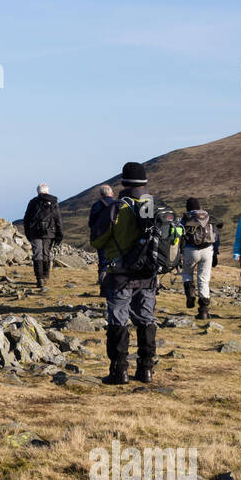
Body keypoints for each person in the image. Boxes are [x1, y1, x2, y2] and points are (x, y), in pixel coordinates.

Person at [89, 163, 160, 384]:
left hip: (120, 275)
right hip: (148, 275)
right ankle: (146, 370)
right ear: (145, 182)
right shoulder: (154, 206)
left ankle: (119, 372)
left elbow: (97, 240)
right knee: (146, 319)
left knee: (118, 321)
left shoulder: (117, 207)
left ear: (124, 182)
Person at [180, 197, 219, 320]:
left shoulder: (186, 218)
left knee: (187, 273)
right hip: (208, 250)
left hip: (190, 250)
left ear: (188, 207)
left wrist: (179, 253)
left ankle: (190, 294)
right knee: (204, 279)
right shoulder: (207, 217)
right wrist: (216, 252)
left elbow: (179, 235)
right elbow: (216, 235)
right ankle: (203, 310)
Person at [22, 182, 64, 289]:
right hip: (49, 232)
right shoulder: (54, 202)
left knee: (37, 254)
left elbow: (26, 219)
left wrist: (28, 233)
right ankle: (46, 276)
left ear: (38, 191)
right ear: (47, 191)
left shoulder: (32, 202)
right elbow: (58, 219)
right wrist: (59, 234)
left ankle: (39, 279)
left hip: (35, 232)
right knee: (46, 254)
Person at [87, 184, 117, 294]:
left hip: (101, 238)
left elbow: (91, 223)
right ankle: (114, 288)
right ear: (112, 193)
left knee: (103, 263)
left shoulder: (96, 205)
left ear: (100, 194)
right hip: (115, 238)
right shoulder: (117, 205)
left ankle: (103, 290)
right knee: (116, 262)